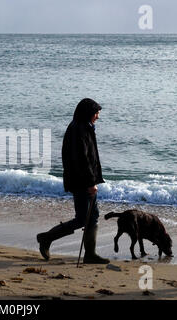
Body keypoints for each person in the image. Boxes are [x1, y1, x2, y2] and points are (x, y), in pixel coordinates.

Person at [36, 98, 109, 264]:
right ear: (88, 113)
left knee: (92, 216)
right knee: (83, 218)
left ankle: (90, 255)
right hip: (81, 181)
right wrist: (91, 182)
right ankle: (46, 238)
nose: (97, 116)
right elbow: (81, 160)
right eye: (96, 113)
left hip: (83, 179)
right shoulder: (79, 129)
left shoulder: (84, 126)